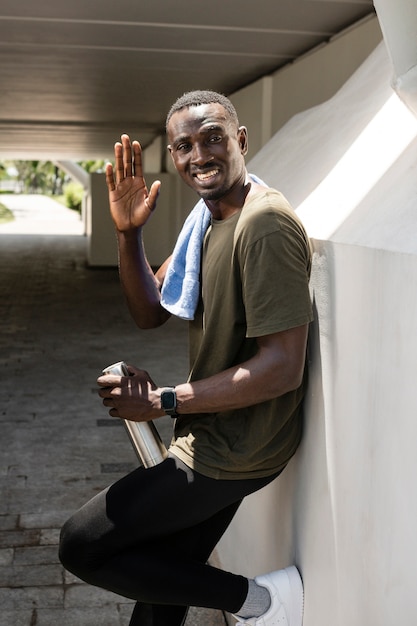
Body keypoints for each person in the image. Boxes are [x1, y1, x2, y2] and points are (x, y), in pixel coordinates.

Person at [59, 90, 313, 626]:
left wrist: (165, 400)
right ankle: (262, 603)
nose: (200, 155)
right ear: (173, 158)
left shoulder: (262, 225)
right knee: (160, 598)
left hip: (236, 447)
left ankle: (261, 602)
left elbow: (282, 367)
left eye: (213, 138)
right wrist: (129, 234)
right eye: (184, 146)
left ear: (241, 141)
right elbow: (150, 310)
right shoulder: (210, 219)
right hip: (220, 433)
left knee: (82, 544)